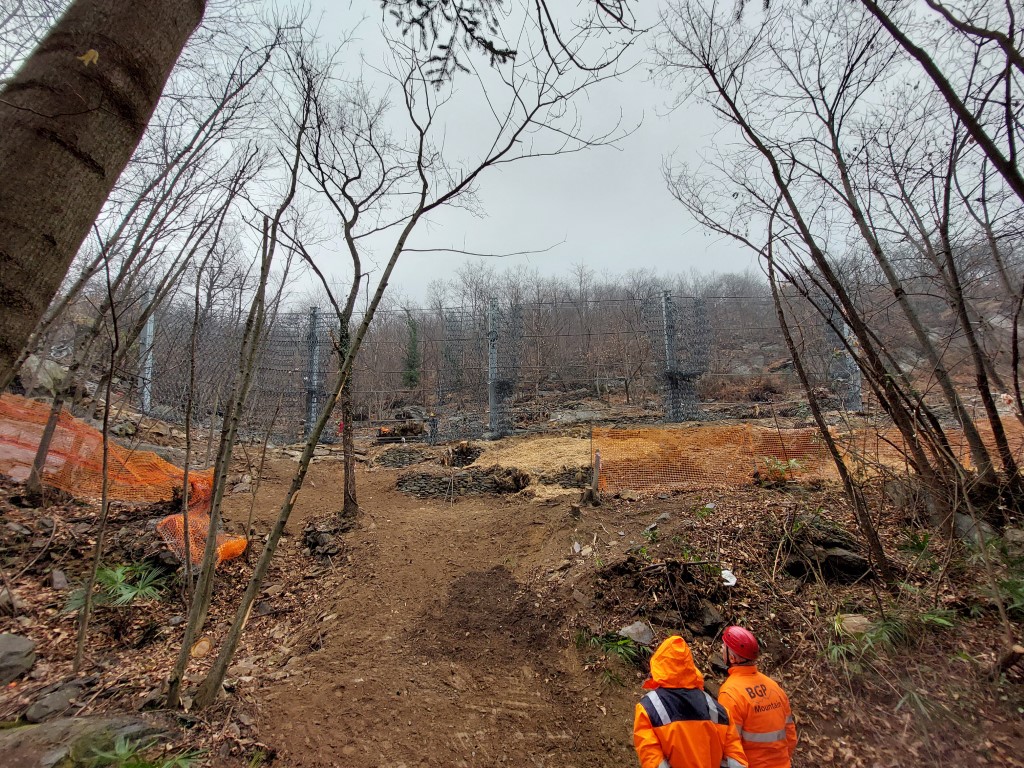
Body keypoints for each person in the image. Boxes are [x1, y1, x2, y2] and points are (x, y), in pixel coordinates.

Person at [633, 635, 747, 768]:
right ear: (690, 667)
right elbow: (736, 762)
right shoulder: (719, 710)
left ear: (658, 665)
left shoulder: (648, 709)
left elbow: (653, 762)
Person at [716, 626, 797, 768]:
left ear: (732, 657)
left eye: (724, 646)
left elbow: (728, 746)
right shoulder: (774, 687)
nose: (721, 649)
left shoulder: (730, 693)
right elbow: (790, 736)